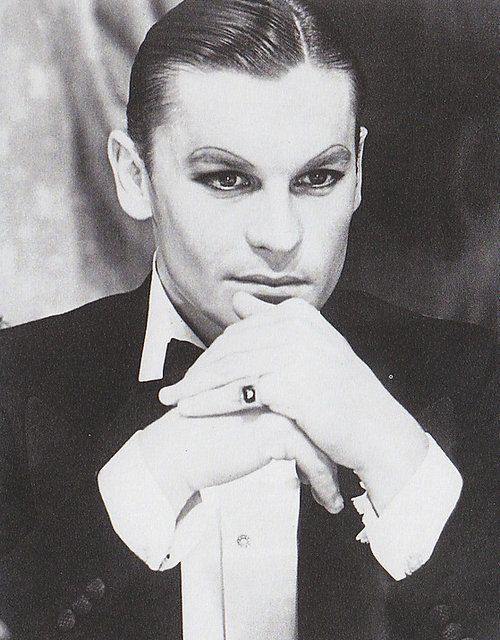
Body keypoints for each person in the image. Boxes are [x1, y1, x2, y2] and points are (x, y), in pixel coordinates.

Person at [0, 1, 496, 639]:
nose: (280, 236)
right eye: (227, 178)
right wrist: (148, 481)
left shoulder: (481, 384)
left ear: (360, 172)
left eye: (318, 177)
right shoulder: (12, 388)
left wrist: (398, 460)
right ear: (133, 175)